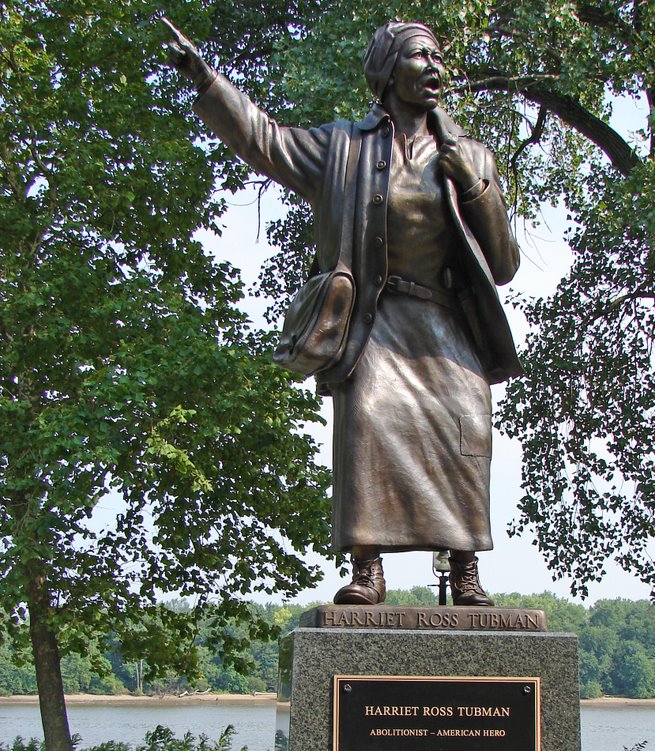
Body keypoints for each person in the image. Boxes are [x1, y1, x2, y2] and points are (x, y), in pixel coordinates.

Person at [163, 19, 522, 607]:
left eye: (438, 57)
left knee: (467, 421)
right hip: (374, 322)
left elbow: (503, 264)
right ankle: (367, 567)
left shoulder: (472, 155)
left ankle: (463, 568)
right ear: (386, 71)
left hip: (446, 326)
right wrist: (205, 80)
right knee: (370, 415)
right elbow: (264, 139)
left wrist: (475, 189)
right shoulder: (345, 149)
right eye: (418, 56)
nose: (434, 67)